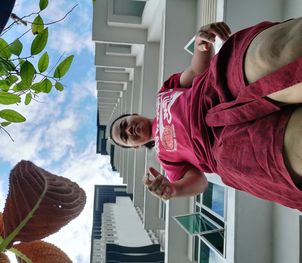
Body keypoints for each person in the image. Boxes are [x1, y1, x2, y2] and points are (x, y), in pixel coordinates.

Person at [109, 17, 302, 211]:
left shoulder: (164, 93)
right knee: (295, 148)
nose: (129, 130)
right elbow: (199, 182)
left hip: (216, 90)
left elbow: (195, 71)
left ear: (133, 114)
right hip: (221, 145)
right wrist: (174, 189)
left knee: (273, 53)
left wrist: (202, 44)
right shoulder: (164, 158)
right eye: (125, 137)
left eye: (125, 124)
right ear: (135, 147)